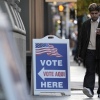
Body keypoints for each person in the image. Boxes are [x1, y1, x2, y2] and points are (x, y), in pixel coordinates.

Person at [77, 3, 100, 98]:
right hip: (89, 51)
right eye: (92, 13)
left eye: (96, 13)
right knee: (90, 71)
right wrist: (80, 55)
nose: (94, 15)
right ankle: (89, 89)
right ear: (89, 13)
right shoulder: (85, 24)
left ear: (99, 13)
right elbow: (81, 40)